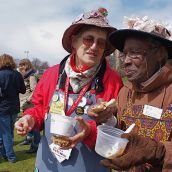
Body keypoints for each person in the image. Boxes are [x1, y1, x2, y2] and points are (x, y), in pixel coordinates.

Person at [15, 8, 123, 172]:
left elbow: (117, 131)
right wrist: (30, 119)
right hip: (48, 165)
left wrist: (90, 132)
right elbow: (39, 108)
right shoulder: (52, 74)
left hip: (91, 166)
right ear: (74, 41)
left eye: (101, 42)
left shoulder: (113, 80)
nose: (94, 46)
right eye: (88, 39)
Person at [100, 16, 172, 171]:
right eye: (124, 54)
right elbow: (121, 132)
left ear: (160, 53)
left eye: (134, 52)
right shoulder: (124, 92)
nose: (126, 60)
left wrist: (157, 151)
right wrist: (109, 121)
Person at [0, 54, 26, 163]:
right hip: (14, 107)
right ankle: (5, 154)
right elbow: (23, 90)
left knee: (6, 133)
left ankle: (10, 156)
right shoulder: (17, 74)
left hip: (3, 108)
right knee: (7, 132)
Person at [18, 59, 41, 154]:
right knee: (27, 123)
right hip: (24, 104)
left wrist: (27, 100)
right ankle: (28, 140)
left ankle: (35, 145)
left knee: (33, 125)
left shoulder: (31, 76)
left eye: (22, 65)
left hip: (29, 104)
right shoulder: (25, 76)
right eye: (20, 65)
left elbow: (34, 90)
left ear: (27, 65)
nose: (20, 67)